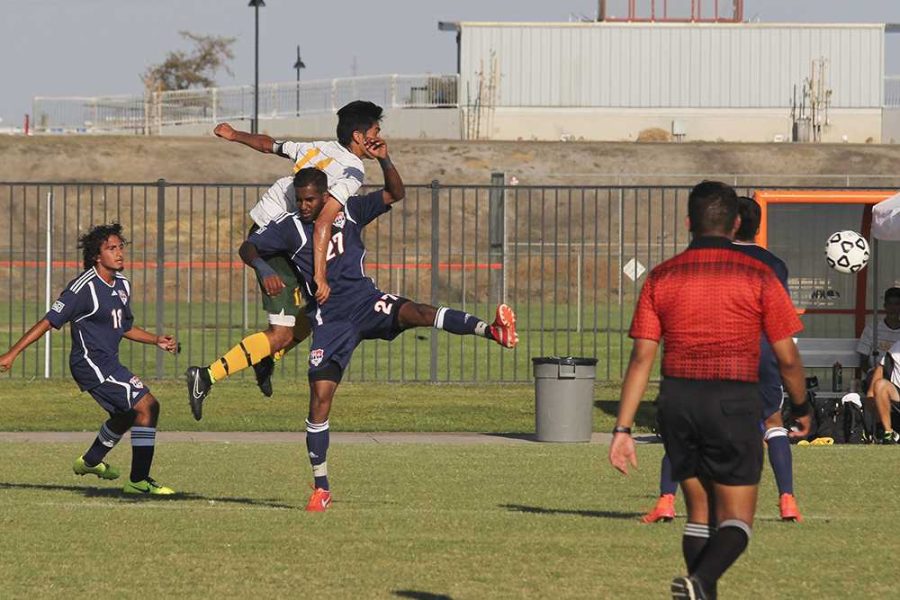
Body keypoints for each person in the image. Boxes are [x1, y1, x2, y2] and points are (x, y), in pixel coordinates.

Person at [196, 162, 518, 511]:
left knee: (420, 313)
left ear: (324, 197)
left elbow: (395, 193)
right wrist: (261, 268)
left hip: (366, 302)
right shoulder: (290, 228)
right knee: (320, 399)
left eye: (310, 200)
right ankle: (322, 488)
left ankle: (492, 330)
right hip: (330, 321)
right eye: (299, 200)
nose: (303, 206)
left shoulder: (349, 211)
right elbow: (249, 246)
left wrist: (385, 159)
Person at [608, 181, 811, 600]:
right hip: (733, 400)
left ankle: (699, 590)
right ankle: (700, 583)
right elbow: (787, 356)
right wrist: (802, 405)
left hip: (678, 402)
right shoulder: (758, 274)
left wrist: (623, 430)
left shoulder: (661, 277)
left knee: (699, 514)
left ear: (688, 223)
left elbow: (641, 358)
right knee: (737, 520)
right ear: (736, 224)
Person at [191, 101, 384, 400]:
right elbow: (323, 220)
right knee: (281, 332)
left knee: (316, 311)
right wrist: (319, 274)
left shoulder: (319, 147)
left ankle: (267, 358)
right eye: (376, 131)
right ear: (359, 136)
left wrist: (234, 134)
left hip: (287, 237)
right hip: (275, 239)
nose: (380, 137)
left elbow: (271, 145)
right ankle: (206, 375)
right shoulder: (353, 170)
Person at [642, 196, 804, 524]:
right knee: (773, 424)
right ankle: (787, 501)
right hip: (761, 354)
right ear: (758, 228)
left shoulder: (710, 259)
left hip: (715, 353)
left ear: (732, 223)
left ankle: (666, 500)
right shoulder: (774, 264)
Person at [0, 224, 179, 495]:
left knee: (128, 414)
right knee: (148, 406)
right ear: (97, 255)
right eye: (112, 249)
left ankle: (91, 461)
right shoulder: (82, 288)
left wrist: (156, 339)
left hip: (109, 362)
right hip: (89, 364)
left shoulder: (122, 285)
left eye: (121, 247)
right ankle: (139, 481)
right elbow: (49, 321)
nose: (119, 254)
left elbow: (125, 327)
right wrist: (12, 353)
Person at [864, 338, 900, 444]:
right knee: (880, 385)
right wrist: (870, 392)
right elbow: (881, 368)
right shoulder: (896, 348)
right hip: (897, 393)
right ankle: (888, 433)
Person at [857, 287, 900, 372]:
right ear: (885, 306)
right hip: (876, 376)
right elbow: (863, 360)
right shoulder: (872, 328)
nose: (892, 308)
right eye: (889, 304)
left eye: (896, 304)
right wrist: (873, 374)